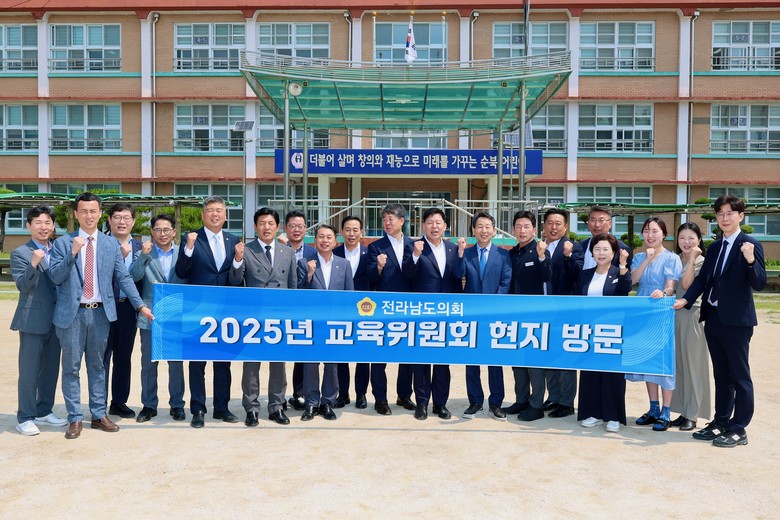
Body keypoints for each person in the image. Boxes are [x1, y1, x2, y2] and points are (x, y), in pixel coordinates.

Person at [49, 192, 153, 440]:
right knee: (71, 368)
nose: (89, 216)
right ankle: (75, 418)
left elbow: (123, 277)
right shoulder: (63, 243)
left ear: (99, 214)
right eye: (84, 211)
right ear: (76, 214)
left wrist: (140, 306)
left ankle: (98, 414)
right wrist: (72, 253)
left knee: (97, 366)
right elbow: (55, 276)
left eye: (93, 211)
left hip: (100, 314)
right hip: (72, 315)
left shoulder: (109, 244)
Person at [673, 195, 767, 448]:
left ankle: (739, 428)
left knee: (739, 376)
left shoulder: (750, 244)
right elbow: (703, 281)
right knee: (721, 375)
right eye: (720, 214)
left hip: (737, 322)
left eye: (730, 213)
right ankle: (721, 421)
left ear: (740, 216)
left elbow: (759, 283)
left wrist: (750, 260)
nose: (725, 218)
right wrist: (685, 300)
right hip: (713, 318)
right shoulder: (715, 248)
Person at [174, 196, 241, 428]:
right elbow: (181, 272)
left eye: (219, 210)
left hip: (225, 310)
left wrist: (238, 260)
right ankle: (198, 409)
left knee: (223, 361)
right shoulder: (191, 238)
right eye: (210, 210)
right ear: (203, 215)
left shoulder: (234, 240)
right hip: (198, 309)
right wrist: (189, 248)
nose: (215, 214)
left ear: (225, 215)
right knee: (197, 362)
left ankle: (221, 407)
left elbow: (236, 278)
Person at [229, 207, 298, 427]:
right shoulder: (246, 250)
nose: (266, 227)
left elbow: (293, 286)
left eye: (270, 223)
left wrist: (291, 316)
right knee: (251, 365)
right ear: (255, 226)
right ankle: (251, 408)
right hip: (254, 317)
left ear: (277, 227)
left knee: (278, 364)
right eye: (262, 223)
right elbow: (235, 281)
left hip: (279, 316)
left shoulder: (287, 251)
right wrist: (237, 259)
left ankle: (276, 406)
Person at [11, 206, 68, 436]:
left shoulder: (60, 249)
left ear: (53, 226)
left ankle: (44, 410)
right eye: (38, 222)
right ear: (29, 226)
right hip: (32, 319)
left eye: (47, 223)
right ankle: (25, 417)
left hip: (58, 319)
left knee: (51, 369)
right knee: (29, 371)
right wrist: (33, 263)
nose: (43, 227)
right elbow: (23, 286)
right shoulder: (20, 253)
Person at [403, 208, 462, 420]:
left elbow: (458, 278)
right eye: (429, 222)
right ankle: (421, 403)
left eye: (438, 222)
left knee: (442, 361)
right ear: (423, 226)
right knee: (421, 361)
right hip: (422, 313)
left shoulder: (453, 249)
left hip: (446, 314)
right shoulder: (413, 246)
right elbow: (407, 274)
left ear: (445, 226)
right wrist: (416, 255)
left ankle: (440, 404)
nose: (434, 226)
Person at [452, 211, 511, 421]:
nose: (484, 230)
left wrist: (493, 305)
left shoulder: (503, 255)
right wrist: (460, 253)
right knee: (472, 360)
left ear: (494, 231)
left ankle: (496, 403)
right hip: (472, 315)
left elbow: (505, 283)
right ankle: (475, 401)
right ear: (473, 230)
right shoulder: (466, 253)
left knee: (495, 360)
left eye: (487, 227)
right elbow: (458, 274)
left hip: (495, 315)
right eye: (479, 226)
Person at [129, 213, 186, 423]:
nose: (162, 234)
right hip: (150, 316)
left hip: (176, 317)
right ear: (152, 232)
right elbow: (133, 276)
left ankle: (177, 405)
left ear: (174, 232)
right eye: (158, 230)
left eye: (166, 230)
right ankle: (149, 405)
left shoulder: (183, 254)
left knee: (176, 363)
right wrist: (143, 256)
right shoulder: (144, 253)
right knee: (148, 363)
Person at [627, 217, 682, 431]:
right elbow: (632, 281)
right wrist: (647, 260)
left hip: (661, 311)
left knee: (663, 360)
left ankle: (666, 411)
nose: (650, 235)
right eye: (646, 231)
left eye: (655, 231)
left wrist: (664, 293)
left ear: (664, 234)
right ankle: (653, 408)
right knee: (648, 360)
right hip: (642, 310)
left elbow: (670, 287)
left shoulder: (671, 258)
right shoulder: (639, 257)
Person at [575, 233, 631, 432]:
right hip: (589, 331)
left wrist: (623, 266)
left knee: (612, 374)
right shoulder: (585, 274)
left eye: (606, 249)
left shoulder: (619, 273)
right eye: (597, 249)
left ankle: (613, 416)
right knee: (590, 372)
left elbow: (625, 289)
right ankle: (592, 413)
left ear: (614, 253)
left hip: (611, 331)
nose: (601, 253)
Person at [297, 224, 354, 421]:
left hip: (335, 323)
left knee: (332, 365)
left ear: (335, 241)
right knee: (310, 364)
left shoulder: (343, 264)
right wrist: (309, 274)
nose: (325, 240)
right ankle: (311, 403)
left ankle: (328, 402)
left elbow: (349, 295)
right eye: (321, 236)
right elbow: (298, 293)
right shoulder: (304, 263)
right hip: (312, 323)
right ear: (315, 241)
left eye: (329, 237)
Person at [332, 216, 386, 413]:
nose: (351, 234)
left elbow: (375, 279)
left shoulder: (369, 253)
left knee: (362, 353)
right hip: (340, 309)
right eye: (347, 229)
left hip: (365, 310)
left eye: (355, 230)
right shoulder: (334, 253)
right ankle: (343, 393)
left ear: (361, 232)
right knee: (341, 353)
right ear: (342, 232)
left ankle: (361, 394)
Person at [503, 210, 551, 422]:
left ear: (534, 229)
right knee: (517, 360)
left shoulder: (540, 250)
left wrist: (541, 257)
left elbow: (547, 276)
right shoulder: (512, 253)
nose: (522, 231)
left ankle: (536, 405)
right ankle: (521, 399)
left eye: (526, 227)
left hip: (535, 316)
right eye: (518, 227)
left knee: (534, 361)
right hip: (513, 314)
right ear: (514, 229)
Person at [367, 203, 415, 412]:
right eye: (384, 219)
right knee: (380, 356)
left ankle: (404, 396)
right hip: (384, 308)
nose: (387, 223)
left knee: (407, 355)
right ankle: (380, 399)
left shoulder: (414, 245)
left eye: (391, 219)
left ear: (401, 221)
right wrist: (378, 266)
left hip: (409, 308)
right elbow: (370, 278)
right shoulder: (375, 247)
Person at [542, 208, 584, 418]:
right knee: (549, 354)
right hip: (543, 310)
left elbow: (577, 274)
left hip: (564, 310)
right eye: (550, 223)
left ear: (565, 226)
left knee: (565, 356)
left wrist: (568, 256)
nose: (554, 227)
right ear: (544, 226)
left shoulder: (573, 247)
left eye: (558, 223)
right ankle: (553, 396)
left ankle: (566, 402)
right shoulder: (540, 246)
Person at [669, 222, 711, 432]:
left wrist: (693, 258)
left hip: (693, 315)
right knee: (679, 366)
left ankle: (693, 414)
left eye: (691, 238)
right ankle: (683, 411)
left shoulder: (701, 261)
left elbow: (686, 286)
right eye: (682, 237)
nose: (686, 242)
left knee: (694, 366)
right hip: (674, 315)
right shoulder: (675, 259)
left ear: (699, 240)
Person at [104, 202, 142, 420]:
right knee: (101, 358)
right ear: (109, 220)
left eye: (127, 218)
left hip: (128, 309)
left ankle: (119, 402)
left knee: (123, 357)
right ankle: (98, 403)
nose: (122, 222)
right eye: (117, 217)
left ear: (133, 222)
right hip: (104, 308)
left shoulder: (140, 247)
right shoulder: (101, 244)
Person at [282, 209, 316, 411]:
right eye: (292, 226)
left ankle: (299, 394)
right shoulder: (277, 248)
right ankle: (278, 396)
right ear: (285, 228)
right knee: (278, 354)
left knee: (302, 353)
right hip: (280, 308)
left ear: (306, 229)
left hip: (305, 310)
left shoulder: (314, 253)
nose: (296, 230)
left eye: (300, 226)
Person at [579, 206, 633, 270]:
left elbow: (626, 274)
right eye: (593, 220)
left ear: (610, 224)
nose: (597, 225)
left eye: (601, 220)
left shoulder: (622, 248)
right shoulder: (581, 245)